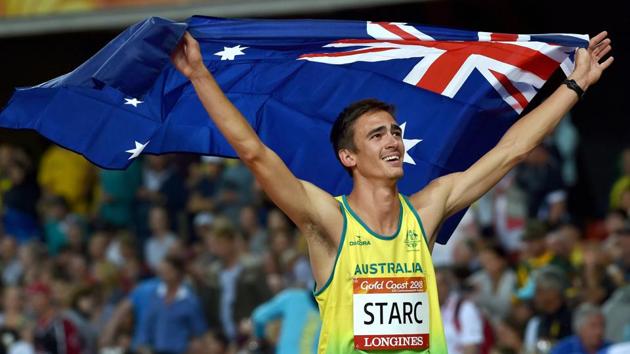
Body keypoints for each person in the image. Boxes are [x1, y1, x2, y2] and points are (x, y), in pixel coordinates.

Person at [170, 30, 612, 353]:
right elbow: (254, 153)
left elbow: (512, 151)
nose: (393, 142)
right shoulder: (330, 221)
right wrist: (199, 76)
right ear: (349, 157)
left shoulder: (427, 209)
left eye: (395, 133)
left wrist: (574, 85)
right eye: (377, 135)